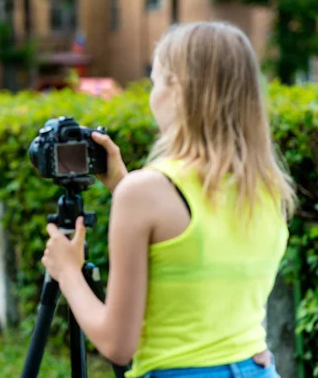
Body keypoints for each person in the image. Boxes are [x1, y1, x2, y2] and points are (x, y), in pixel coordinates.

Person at [41, 21, 296, 378]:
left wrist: (67, 272)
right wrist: (123, 183)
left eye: (155, 81)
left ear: (177, 89)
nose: (152, 95)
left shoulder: (145, 194)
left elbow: (117, 344)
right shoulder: (269, 187)